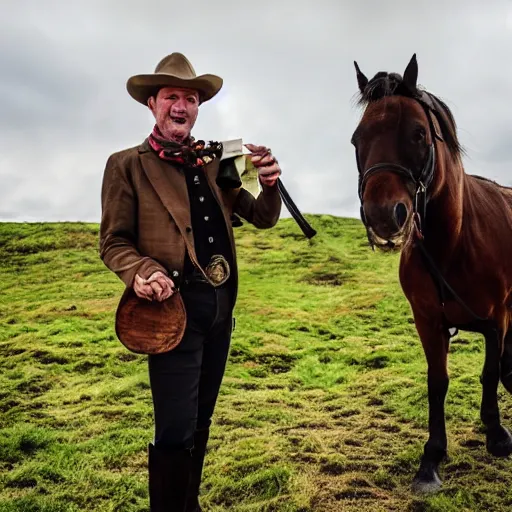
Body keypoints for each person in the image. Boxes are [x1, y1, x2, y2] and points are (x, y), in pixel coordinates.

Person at [99, 52, 282, 511]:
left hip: (221, 312)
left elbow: (260, 216)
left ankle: (189, 504)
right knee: (175, 428)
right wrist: (143, 271)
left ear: (198, 107)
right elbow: (113, 242)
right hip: (171, 314)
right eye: (172, 97)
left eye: (190, 98)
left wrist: (270, 181)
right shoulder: (126, 165)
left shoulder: (220, 158)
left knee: (200, 422)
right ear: (153, 105)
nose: (181, 105)